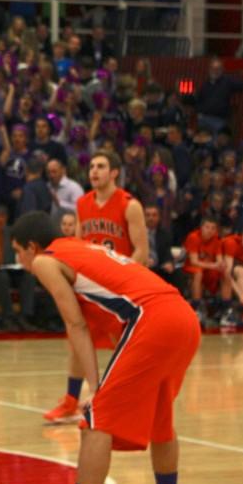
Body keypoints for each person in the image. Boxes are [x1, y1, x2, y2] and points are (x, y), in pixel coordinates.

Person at [12, 211, 200, 484]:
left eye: (17, 251)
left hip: (152, 319)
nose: (18, 259)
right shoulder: (80, 247)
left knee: (96, 421)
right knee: (161, 419)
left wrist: (97, 389)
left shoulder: (46, 260)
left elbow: (76, 326)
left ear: (31, 246)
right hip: (183, 316)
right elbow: (113, 326)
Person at [44, 149, 149, 424]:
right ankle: (71, 401)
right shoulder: (82, 204)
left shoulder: (130, 205)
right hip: (91, 285)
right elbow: (79, 247)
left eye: (101, 166)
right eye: (91, 166)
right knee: (79, 342)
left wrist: (124, 280)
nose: (94, 171)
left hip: (120, 290)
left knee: (124, 348)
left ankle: (130, 400)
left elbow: (142, 251)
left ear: (114, 172)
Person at [182, 214, 224, 326]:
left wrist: (220, 265)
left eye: (213, 228)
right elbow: (194, 261)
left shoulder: (217, 239)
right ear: (201, 227)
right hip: (190, 268)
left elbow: (219, 261)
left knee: (225, 273)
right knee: (198, 272)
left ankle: (225, 307)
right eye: (207, 227)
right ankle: (197, 306)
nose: (210, 230)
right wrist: (214, 265)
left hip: (208, 268)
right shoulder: (193, 237)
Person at [220, 224, 243, 326]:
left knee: (242, 270)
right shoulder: (231, 243)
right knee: (238, 271)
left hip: (237, 274)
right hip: (218, 275)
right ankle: (228, 313)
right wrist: (240, 294)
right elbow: (226, 272)